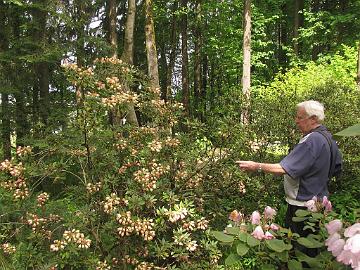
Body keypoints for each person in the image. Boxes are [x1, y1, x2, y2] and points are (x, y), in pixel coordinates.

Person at [236, 100, 342, 256]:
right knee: (312, 249)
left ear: (313, 119)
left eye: (300, 117)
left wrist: (256, 166)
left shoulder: (312, 140)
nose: (296, 121)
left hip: (302, 206)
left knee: (298, 251)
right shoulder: (328, 138)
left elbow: (284, 168)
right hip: (319, 205)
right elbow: (337, 167)